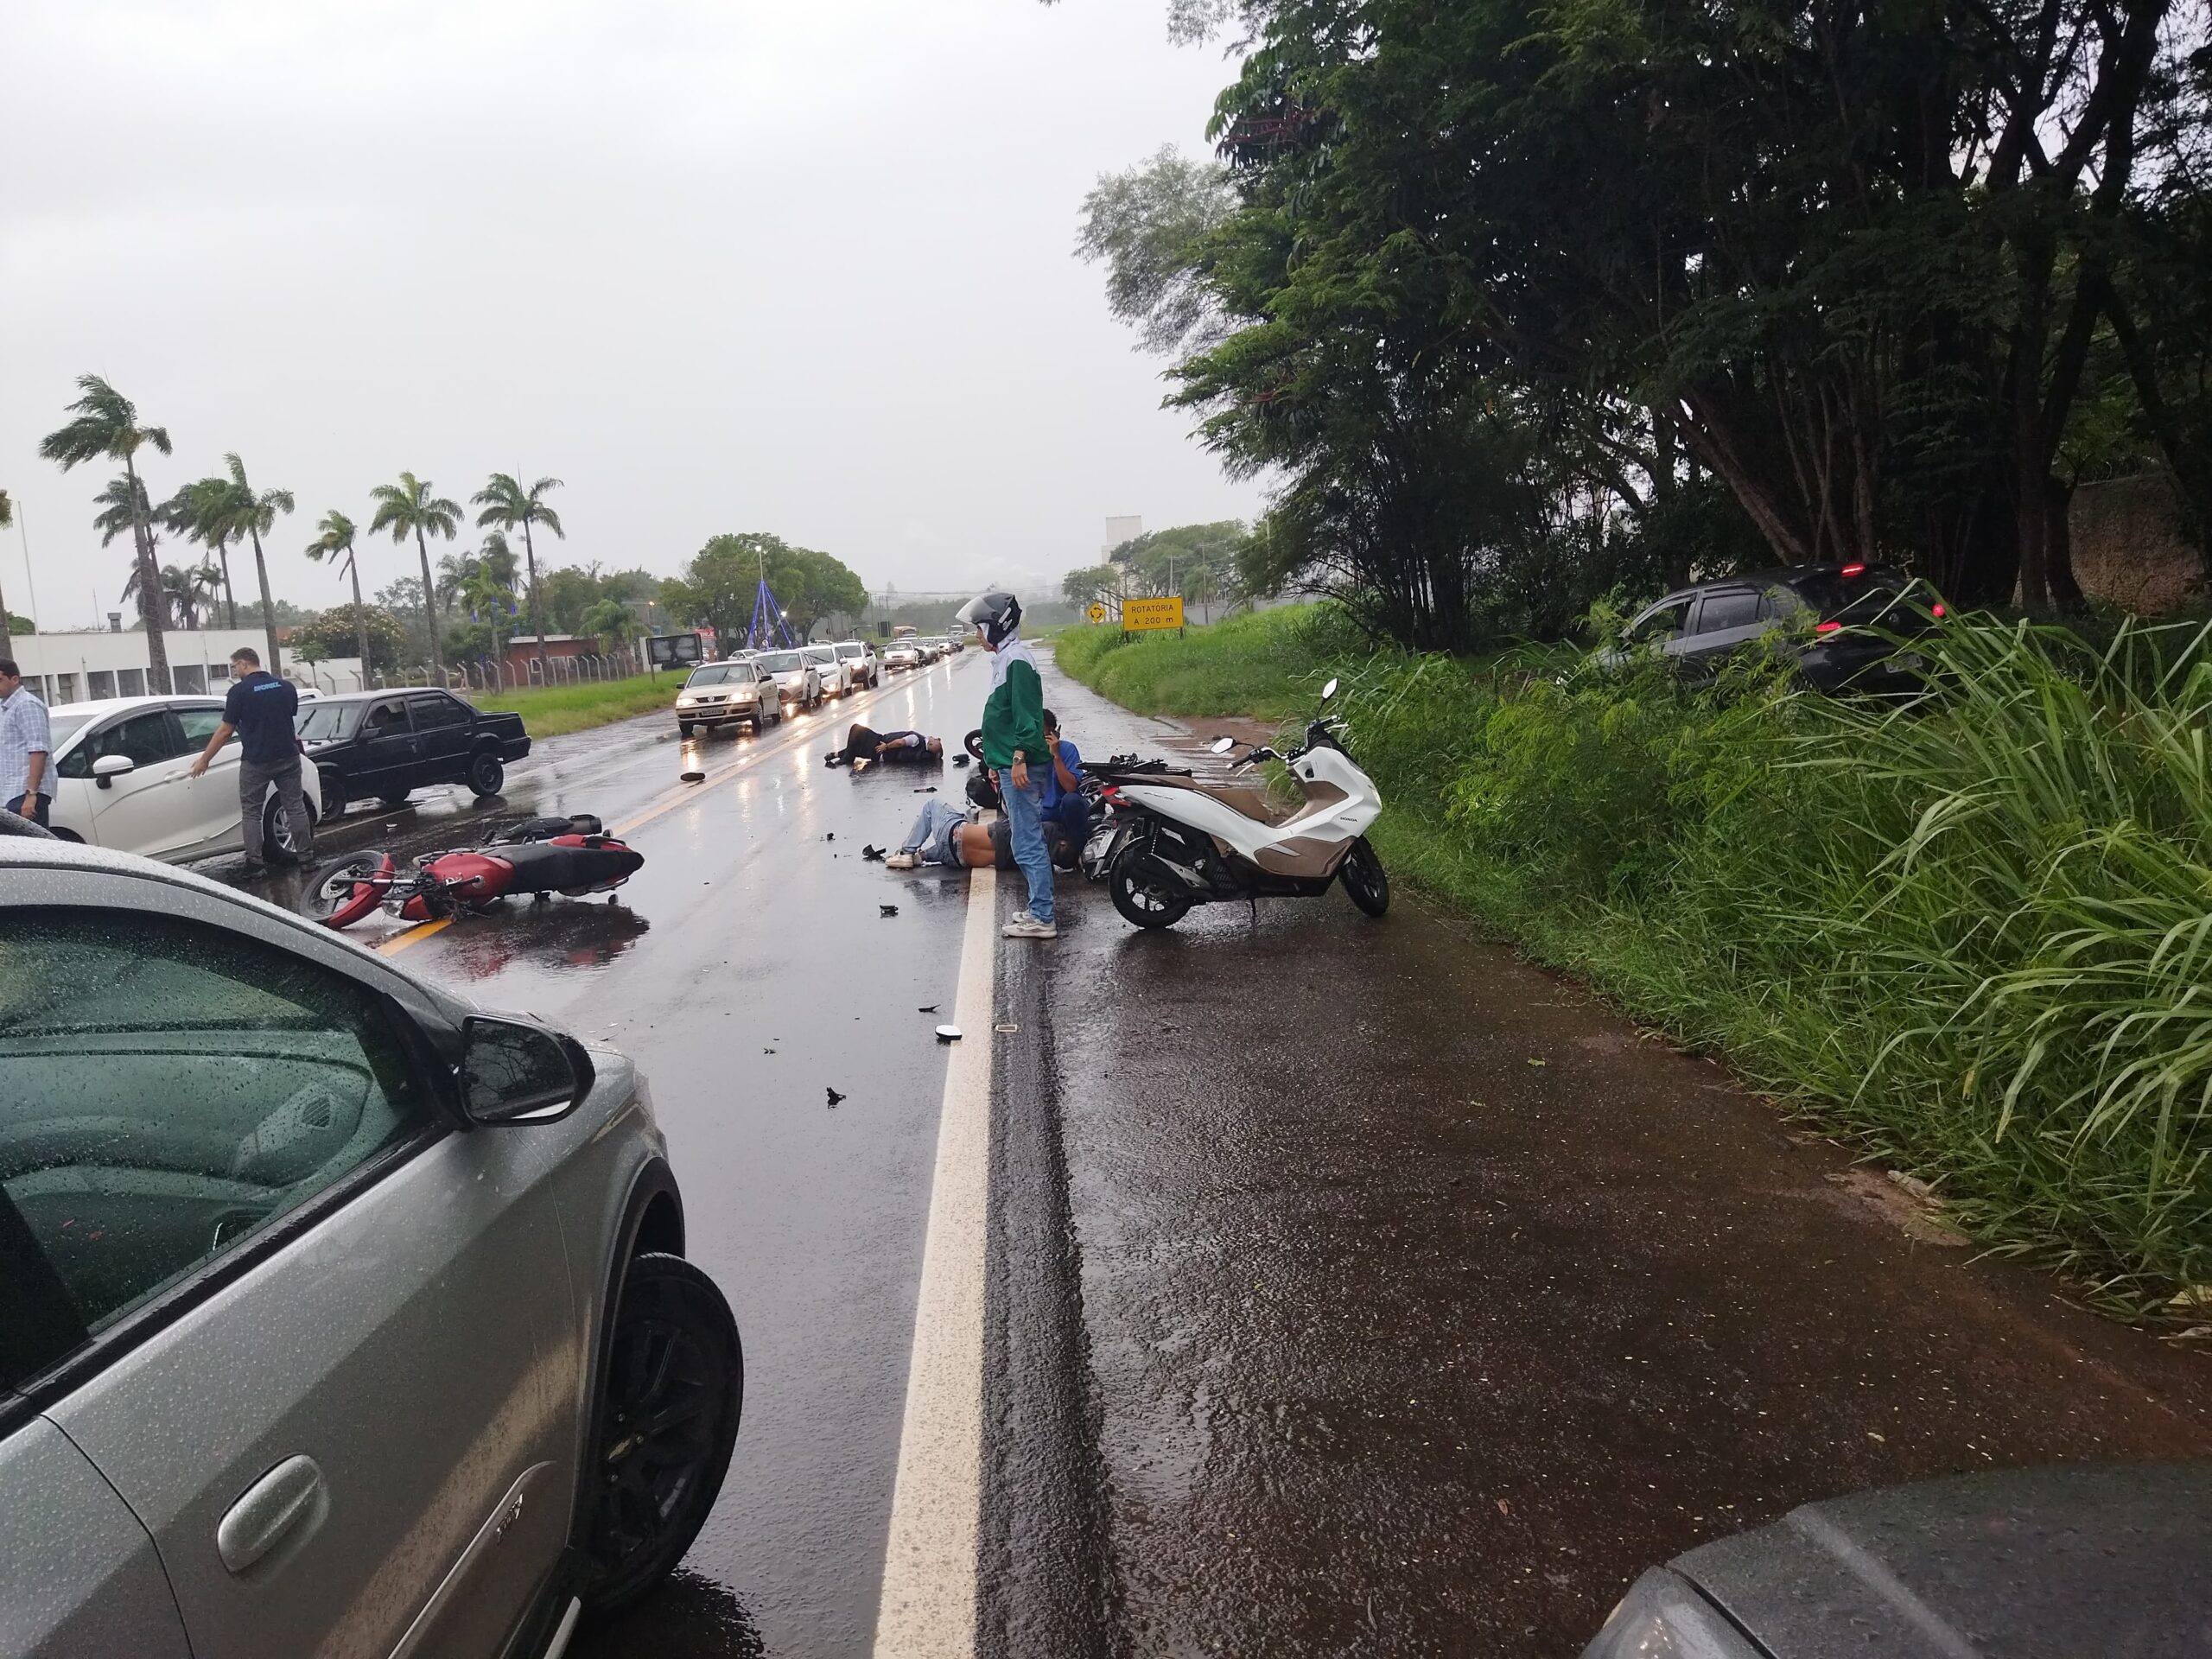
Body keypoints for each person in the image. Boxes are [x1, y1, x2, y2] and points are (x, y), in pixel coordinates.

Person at [957, 590, 1054, 938]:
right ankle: (1037, 909)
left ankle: (1043, 917)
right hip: (1008, 765)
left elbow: (1027, 718)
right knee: (1023, 839)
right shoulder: (1006, 659)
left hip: (1020, 764)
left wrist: (1017, 759)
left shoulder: (1018, 662)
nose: (978, 636)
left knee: (1027, 840)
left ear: (998, 627)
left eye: (981, 629)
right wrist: (998, 765)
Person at [188, 647, 315, 872]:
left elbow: (226, 730)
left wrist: (205, 759)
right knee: (295, 807)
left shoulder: (239, 692)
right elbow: (288, 716)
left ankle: (255, 865)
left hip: (256, 760)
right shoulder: (286, 687)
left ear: (244, 664)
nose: (235, 670)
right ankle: (306, 859)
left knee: (252, 812)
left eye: (235, 666)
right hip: (288, 756)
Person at [0, 659, 53, 828]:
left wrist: (31, 794)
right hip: (10, 792)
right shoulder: (6, 707)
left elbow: (38, 751)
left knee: (32, 850)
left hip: (24, 793)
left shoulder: (26, 705)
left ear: (14, 679)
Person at [1038, 709, 1089, 848]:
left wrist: (1056, 756)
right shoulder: (1027, 752)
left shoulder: (1067, 749)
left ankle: (1077, 848)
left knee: (1072, 800)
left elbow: (1071, 787)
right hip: (1041, 810)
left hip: (1062, 809)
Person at [826, 723, 942, 768]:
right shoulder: (922, 752)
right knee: (857, 747)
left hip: (881, 744)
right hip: (882, 755)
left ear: (931, 743)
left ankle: (846, 759)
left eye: (937, 740)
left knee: (856, 729)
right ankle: (834, 755)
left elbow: (900, 742)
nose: (937, 738)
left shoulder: (917, 739)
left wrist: (886, 746)